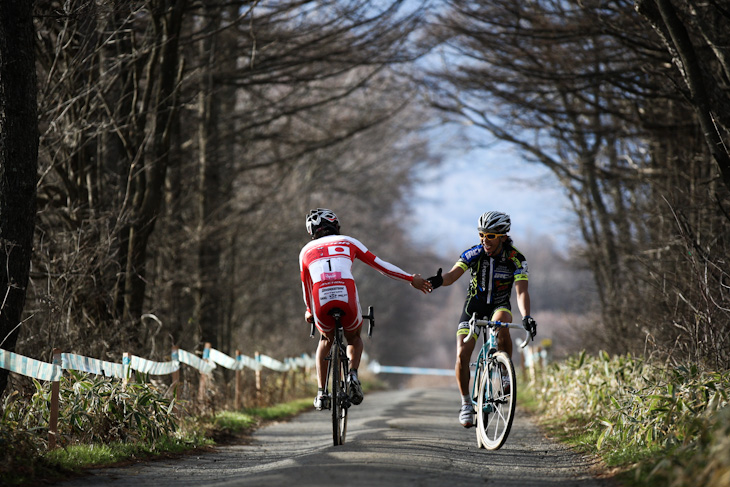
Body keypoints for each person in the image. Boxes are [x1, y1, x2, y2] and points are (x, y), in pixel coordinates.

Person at [299, 208, 432, 410]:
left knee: (326, 339)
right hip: (345, 291)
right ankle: (352, 374)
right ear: (335, 225)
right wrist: (410, 279)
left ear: (312, 232)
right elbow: (382, 266)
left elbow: (306, 286)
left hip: (320, 295)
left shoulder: (305, 251)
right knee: (353, 337)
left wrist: (309, 310)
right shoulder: (348, 241)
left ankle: (321, 393)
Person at [426, 211, 537, 428]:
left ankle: (505, 374)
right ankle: (466, 403)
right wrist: (439, 280)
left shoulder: (516, 258)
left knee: (502, 322)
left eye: (491, 236)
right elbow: (452, 275)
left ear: (503, 236)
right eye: (482, 235)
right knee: (462, 353)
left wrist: (526, 317)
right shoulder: (474, 253)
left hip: (499, 304)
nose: (485, 240)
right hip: (474, 307)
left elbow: (521, 291)